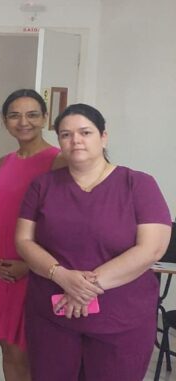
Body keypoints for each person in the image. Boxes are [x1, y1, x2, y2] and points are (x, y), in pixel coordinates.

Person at [16, 104, 171, 380]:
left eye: (85, 132)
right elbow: (23, 240)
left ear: (104, 137)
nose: (75, 140)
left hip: (121, 318)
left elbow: (152, 248)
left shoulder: (138, 184)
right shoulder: (43, 186)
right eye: (66, 134)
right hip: (52, 315)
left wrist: (83, 288)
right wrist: (61, 276)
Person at [0, 89, 63, 381]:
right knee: (8, 349)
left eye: (32, 114)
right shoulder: (4, 162)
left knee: (29, 353)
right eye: (14, 115)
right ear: (4, 121)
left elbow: (62, 223)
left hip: (31, 270)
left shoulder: (57, 161)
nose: (23, 122)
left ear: (45, 118)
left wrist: (31, 265)